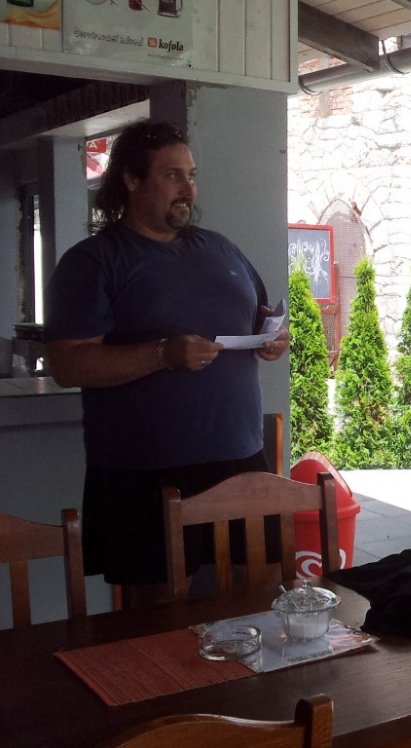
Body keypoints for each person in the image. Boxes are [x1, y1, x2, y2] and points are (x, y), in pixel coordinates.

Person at [44, 121, 289, 608]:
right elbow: (67, 364)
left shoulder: (221, 248)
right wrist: (162, 354)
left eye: (191, 175)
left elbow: (260, 317)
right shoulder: (93, 261)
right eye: (172, 175)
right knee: (154, 621)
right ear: (132, 180)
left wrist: (271, 339)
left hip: (239, 457)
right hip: (145, 471)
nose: (188, 189)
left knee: (259, 602)